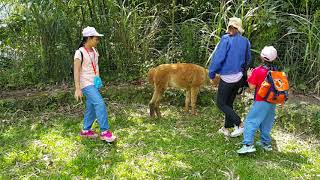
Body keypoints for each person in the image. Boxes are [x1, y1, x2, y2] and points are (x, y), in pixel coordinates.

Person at [208, 17, 251, 137]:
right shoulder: (246, 41)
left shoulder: (226, 39)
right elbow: (248, 60)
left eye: (233, 27)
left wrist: (211, 73)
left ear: (235, 28)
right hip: (239, 77)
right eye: (231, 27)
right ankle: (226, 128)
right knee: (229, 103)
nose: (231, 29)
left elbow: (218, 58)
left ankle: (240, 123)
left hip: (228, 78)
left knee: (221, 104)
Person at [73, 26, 116, 142]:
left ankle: (85, 131)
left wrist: (98, 80)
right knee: (100, 104)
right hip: (86, 84)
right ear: (88, 38)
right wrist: (77, 88)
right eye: (96, 38)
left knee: (91, 107)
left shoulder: (95, 51)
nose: (98, 41)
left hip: (94, 83)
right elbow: (76, 71)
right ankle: (105, 132)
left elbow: (95, 67)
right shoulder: (79, 53)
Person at [237, 46, 278, 154]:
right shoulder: (275, 70)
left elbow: (251, 87)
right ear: (274, 58)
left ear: (262, 57)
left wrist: (249, 75)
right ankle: (266, 144)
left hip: (261, 100)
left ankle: (248, 145)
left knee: (250, 121)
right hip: (272, 101)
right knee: (266, 123)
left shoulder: (258, 70)